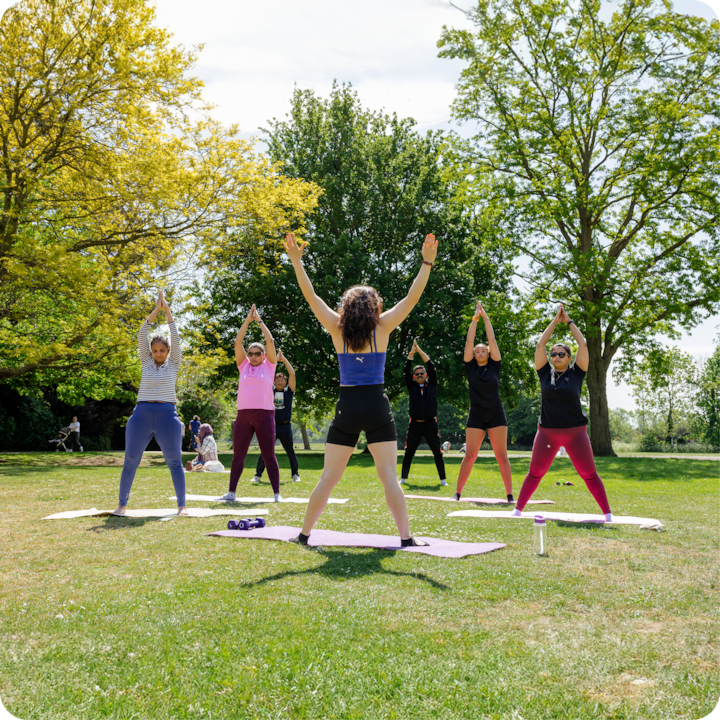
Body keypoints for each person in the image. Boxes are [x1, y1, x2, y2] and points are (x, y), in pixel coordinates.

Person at [282, 231, 438, 547]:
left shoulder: (335, 327)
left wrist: (297, 262)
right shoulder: (384, 326)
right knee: (389, 478)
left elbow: (311, 297)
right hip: (376, 405)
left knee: (328, 477)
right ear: (374, 307)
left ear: (347, 307)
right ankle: (406, 539)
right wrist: (426, 262)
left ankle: (303, 535)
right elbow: (412, 297)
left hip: (348, 406)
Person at [512, 305, 613, 520]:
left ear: (569, 357)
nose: (556, 356)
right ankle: (518, 510)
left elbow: (583, 344)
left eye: (561, 353)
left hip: (575, 432)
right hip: (547, 432)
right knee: (535, 473)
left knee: (588, 474)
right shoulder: (544, 373)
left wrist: (568, 322)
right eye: (554, 354)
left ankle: (607, 514)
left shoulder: (577, 373)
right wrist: (554, 322)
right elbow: (540, 344)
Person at [114, 290, 187, 516]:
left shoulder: (174, 362)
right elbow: (141, 334)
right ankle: (121, 506)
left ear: (168, 352)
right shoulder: (145, 361)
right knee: (131, 460)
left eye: (161, 350)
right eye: (154, 350)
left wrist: (168, 312)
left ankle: (182, 507)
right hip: (142, 414)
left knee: (174, 461)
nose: (157, 354)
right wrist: (156, 309)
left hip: (167, 415)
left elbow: (175, 337)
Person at [221, 305, 282, 502]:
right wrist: (247, 320)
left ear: (264, 355)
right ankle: (231, 493)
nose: (254, 356)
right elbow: (237, 341)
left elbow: (270, 340)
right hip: (243, 416)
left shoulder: (270, 366)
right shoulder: (243, 365)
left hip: (265, 415)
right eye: (251, 353)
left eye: (258, 353)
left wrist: (260, 321)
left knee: (268, 455)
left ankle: (276, 494)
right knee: (238, 455)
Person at [453, 300, 513, 502]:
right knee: (469, 455)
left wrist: (486, 318)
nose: (479, 352)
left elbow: (492, 340)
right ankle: (458, 493)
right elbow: (469, 341)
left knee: (502, 456)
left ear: (488, 353)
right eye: (477, 351)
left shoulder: (495, 364)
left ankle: (510, 495)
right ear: (473, 354)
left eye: (483, 350)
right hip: (477, 413)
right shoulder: (470, 366)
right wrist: (474, 319)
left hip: (496, 413)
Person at [399, 339, 447, 486]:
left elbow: (431, 366)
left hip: (430, 423)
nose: (419, 375)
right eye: (417, 374)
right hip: (415, 424)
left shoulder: (432, 384)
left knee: (437, 452)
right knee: (408, 452)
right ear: (414, 377)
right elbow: (406, 370)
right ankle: (403, 479)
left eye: (422, 373)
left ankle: (443, 480)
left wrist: (419, 351)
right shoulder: (411, 386)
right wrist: (411, 354)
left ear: (426, 375)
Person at [253, 350, 301, 484]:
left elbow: (292, 374)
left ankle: (295, 475)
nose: (280, 382)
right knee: (264, 451)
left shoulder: (289, 391)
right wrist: (268, 359)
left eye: (282, 380)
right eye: (277, 380)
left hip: (285, 426)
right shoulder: (270, 389)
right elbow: (264, 375)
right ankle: (257, 475)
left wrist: (283, 359)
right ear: (274, 381)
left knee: (290, 452)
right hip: (271, 426)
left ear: (285, 382)